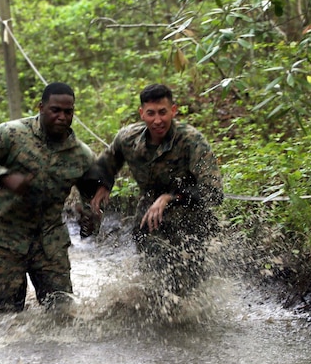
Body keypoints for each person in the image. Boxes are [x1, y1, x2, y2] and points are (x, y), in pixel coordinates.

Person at [0, 82, 98, 312]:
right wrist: (3, 177)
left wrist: (90, 217)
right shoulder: (12, 134)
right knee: (2, 316)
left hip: (49, 244)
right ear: (41, 107)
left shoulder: (82, 156)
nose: (62, 117)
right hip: (3, 240)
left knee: (63, 314)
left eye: (68, 112)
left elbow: (93, 197)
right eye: (55, 110)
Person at [90, 83, 223, 295]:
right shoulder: (128, 139)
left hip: (190, 222)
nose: (157, 120)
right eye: (151, 113)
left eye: (163, 112)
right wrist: (103, 185)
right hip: (149, 221)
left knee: (188, 287)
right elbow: (105, 164)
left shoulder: (191, 141)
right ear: (142, 113)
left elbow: (213, 192)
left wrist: (170, 197)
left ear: (173, 110)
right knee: (154, 283)